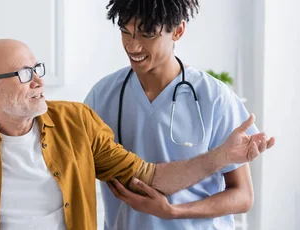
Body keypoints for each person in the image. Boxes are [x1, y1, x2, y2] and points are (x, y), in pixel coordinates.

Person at [0, 39, 274, 230]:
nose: (39, 81)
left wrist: (221, 157)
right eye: (24, 73)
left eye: (36, 68)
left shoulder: (77, 122)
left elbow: (147, 176)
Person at [83, 0, 275, 229]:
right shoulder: (102, 96)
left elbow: (243, 196)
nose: (132, 46)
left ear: (178, 31)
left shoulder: (214, 97)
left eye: (147, 34)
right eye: (126, 31)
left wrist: (173, 212)